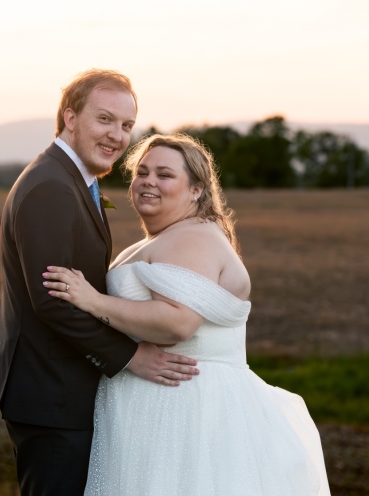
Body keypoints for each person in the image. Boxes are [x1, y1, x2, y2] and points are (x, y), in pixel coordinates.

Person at [42, 133, 331, 495]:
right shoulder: (170, 236)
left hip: (184, 407)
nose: (149, 181)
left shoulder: (190, 237)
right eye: (142, 172)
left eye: (164, 174)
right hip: (161, 401)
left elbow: (177, 322)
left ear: (196, 189)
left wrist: (92, 300)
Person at [0, 70, 200, 496]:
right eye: (105, 120)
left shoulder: (70, 180)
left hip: (62, 388)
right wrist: (130, 356)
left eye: (126, 125)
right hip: (52, 394)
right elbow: (53, 301)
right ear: (70, 118)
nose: (117, 135)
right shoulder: (51, 187)